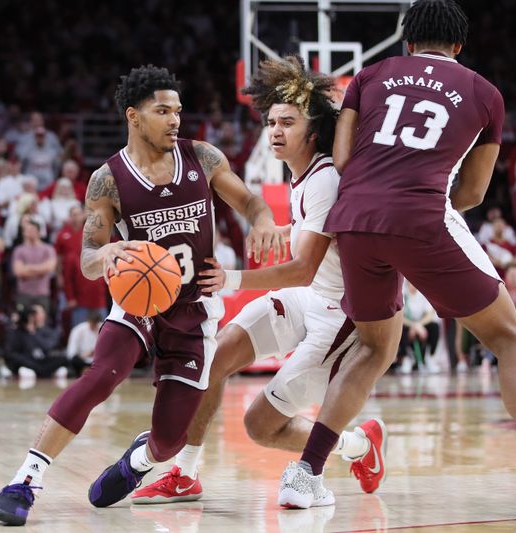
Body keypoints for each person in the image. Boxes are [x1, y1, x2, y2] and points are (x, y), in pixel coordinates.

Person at [318, 0, 516, 512]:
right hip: (420, 218)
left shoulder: (368, 76)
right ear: (459, 45)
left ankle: (304, 473)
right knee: (509, 336)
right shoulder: (485, 92)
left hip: (353, 221)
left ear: (407, 42)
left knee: (371, 350)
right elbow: (474, 192)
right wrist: (420, 214)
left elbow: (343, 160)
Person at [0, 65, 284, 526]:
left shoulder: (202, 158)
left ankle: (139, 462)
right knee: (100, 377)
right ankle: (24, 481)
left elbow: (249, 202)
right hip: (140, 304)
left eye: (177, 111)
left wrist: (263, 220)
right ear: (133, 116)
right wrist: (106, 251)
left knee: (169, 442)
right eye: (162, 111)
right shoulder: (108, 180)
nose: (174, 120)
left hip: (195, 310)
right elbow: (88, 259)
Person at [130, 56, 386, 509]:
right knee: (216, 358)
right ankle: (185, 475)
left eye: (288, 122)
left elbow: (303, 268)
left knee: (258, 426)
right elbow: (321, 241)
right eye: (271, 122)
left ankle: (359, 448)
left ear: (314, 129)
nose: (275, 132)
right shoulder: (301, 175)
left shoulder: (325, 177)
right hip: (310, 297)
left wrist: (230, 278)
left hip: (338, 316)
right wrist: (288, 231)